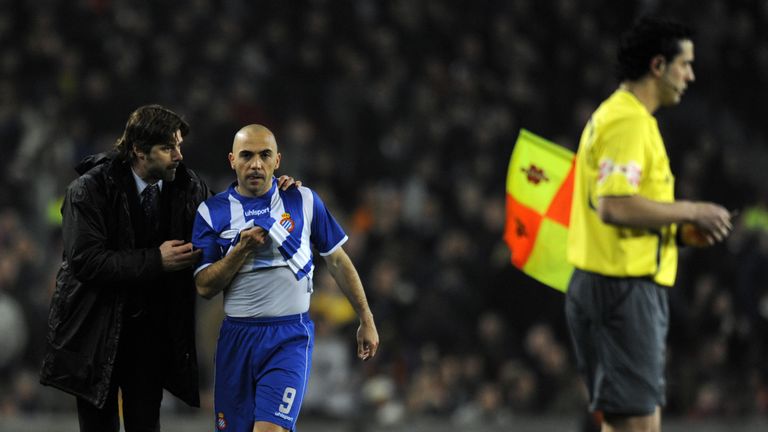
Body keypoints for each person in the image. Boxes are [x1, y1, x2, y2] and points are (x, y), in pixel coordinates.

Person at [38, 105, 298, 432]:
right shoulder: (89, 190)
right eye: (167, 148)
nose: (178, 155)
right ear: (138, 150)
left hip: (150, 335)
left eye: (178, 145)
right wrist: (155, 260)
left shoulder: (187, 187)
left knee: (146, 425)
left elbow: (229, 221)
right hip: (97, 333)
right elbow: (84, 261)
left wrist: (274, 191)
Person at [565, 17, 733, 432]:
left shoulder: (620, 116)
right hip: (622, 293)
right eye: (685, 64)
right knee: (638, 428)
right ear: (658, 66)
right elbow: (615, 206)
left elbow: (623, 208)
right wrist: (691, 211)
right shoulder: (628, 122)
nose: (691, 75)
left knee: (622, 424)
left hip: (607, 287)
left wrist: (678, 232)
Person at [192, 124, 379, 432]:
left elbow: (337, 260)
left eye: (265, 155)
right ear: (232, 160)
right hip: (236, 339)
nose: (256, 164)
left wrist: (366, 318)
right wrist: (240, 251)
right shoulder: (212, 213)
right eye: (247, 155)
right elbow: (204, 286)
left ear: (277, 160)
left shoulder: (302, 200)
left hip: (288, 337)